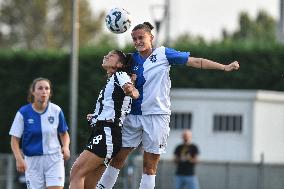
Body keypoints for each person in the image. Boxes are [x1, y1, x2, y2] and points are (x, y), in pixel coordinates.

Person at [96, 22, 240, 189]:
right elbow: (113, 71)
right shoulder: (130, 59)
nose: (137, 41)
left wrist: (224, 67)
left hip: (157, 116)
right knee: (118, 158)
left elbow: (195, 61)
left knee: (149, 166)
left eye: (141, 37)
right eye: (134, 39)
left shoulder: (164, 54)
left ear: (151, 37)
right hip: (133, 115)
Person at [69, 50, 139, 189]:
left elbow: (130, 89)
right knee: (89, 185)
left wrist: (132, 90)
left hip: (107, 133)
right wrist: (95, 117)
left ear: (119, 64)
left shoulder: (120, 74)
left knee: (76, 172)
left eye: (111, 55)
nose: (105, 56)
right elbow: (114, 108)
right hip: (104, 132)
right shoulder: (112, 81)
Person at [9, 77, 70, 189]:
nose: (44, 91)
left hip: (54, 158)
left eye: (47, 88)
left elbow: (64, 133)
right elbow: (14, 139)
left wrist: (65, 147)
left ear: (50, 92)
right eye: (40, 88)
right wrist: (19, 159)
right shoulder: (23, 113)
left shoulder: (56, 110)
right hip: (32, 161)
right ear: (33, 92)